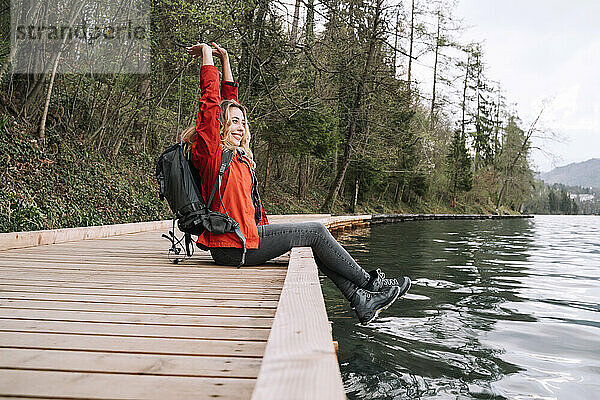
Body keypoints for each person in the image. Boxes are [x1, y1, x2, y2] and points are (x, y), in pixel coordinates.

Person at [182, 42, 411, 324]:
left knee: (313, 241)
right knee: (315, 231)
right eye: (233, 122)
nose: (240, 127)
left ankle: (360, 300)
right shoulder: (211, 154)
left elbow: (229, 99)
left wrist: (226, 60)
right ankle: (371, 284)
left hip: (245, 239)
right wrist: (207, 56)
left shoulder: (237, 155)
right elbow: (210, 107)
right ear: (219, 126)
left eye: (243, 122)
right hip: (231, 247)